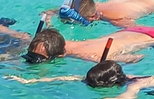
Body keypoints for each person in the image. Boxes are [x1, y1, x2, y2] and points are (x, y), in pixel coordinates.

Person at [5, 60, 154, 99]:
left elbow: (120, 98)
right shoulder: (123, 77)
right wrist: (30, 81)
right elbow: (72, 77)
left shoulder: (135, 85)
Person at [24, 27, 154, 64]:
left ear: (60, 55)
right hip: (129, 31)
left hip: (149, 38)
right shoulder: (55, 42)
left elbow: (137, 57)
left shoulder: (89, 56)